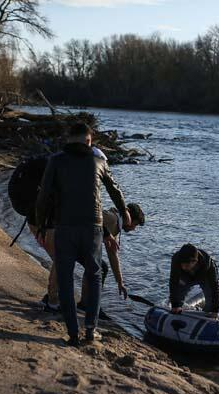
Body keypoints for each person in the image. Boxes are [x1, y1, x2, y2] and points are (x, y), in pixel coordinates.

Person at [35, 123, 131, 346]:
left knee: (66, 278)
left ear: (69, 140)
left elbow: (43, 196)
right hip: (93, 228)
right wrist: (124, 210)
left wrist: (41, 224)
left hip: (65, 227)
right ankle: (90, 329)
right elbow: (114, 189)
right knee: (94, 275)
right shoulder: (99, 161)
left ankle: (72, 332)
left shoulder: (56, 161)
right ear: (89, 141)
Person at [34, 146, 112, 313]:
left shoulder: (67, 174)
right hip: (62, 228)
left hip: (61, 227)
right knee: (66, 264)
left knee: (64, 264)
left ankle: (58, 301)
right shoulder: (81, 181)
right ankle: (61, 303)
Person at [79, 202, 145, 305]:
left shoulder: (116, 228)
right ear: (128, 217)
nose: (134, 229)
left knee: (98, 267)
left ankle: (87, 303)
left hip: (83, 246)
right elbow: (90, 216)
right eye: (135, 224)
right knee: (100, 267)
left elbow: (113, 255)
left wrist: (120, 282)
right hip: (74, 240)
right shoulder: (112, 218)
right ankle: (90, 304)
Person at [169, 244, 219, 316]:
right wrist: (175, 305)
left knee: (210, 299)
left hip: (203, 276)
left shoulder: (209, 265)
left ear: (195, 262)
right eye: (182, 265)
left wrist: (215, 310)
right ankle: (178, 309)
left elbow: (215, 287)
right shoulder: (176, 261)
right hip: (185, 277)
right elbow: (173, 282)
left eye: (186, 265)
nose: (183, 267)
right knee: (178, 294)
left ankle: (207, 313)